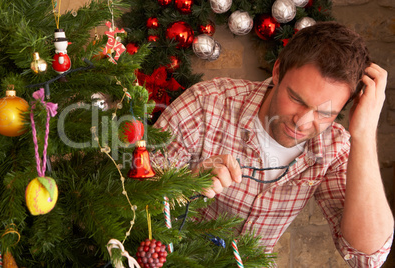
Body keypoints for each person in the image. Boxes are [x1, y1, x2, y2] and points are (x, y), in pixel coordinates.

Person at [153, 21, 394, 267]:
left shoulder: (334, 147)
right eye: (296, 98)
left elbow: (368, 257)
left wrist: (363, 134)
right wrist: (187, 183)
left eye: (325, 113)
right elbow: (129, 192)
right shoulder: (207, 103)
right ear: (278, 70)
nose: (302, 122)